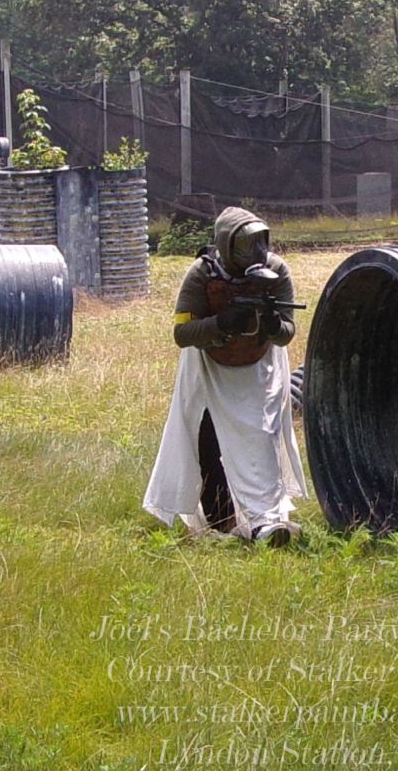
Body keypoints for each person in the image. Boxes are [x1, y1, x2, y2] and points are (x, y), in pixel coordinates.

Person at [143, 206, 307, 545]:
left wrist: (271, 323)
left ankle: (266, 521)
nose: (256, 251)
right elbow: (182, 333)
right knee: (206, 440)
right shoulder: (203, 273)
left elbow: (287, 332)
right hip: (208, 369)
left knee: (262, 439)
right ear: (227, 243)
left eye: (260, 242)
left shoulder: (277, 270)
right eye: (246, 244)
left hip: (260, 369)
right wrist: (221, 323)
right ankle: (222, 521)